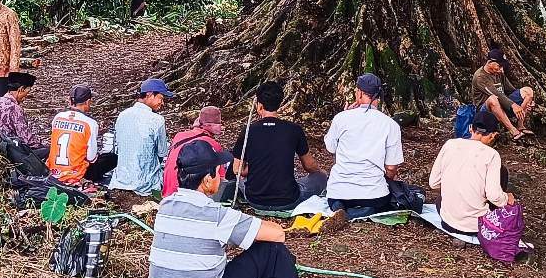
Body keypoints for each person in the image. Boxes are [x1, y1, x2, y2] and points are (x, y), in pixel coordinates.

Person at [145, 140, 341, 278]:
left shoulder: (165, 206)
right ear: (206, 180)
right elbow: (277, 235)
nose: (221, 176)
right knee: (273, 252)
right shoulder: (216, 215)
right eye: (218, 172)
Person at [231, 80, 327, 211]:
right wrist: (321, 172)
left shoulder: (248, 130)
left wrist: (255, 166)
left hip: (254, 199)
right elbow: (309, 166)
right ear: (279, 103)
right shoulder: (294, 130)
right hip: (288, 199)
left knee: (237, 181)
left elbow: (237, 170)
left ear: (259, 106)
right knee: (320, 177)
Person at [323, 74, 404, 217]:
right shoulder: (390, 124)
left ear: (359, 93)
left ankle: (340, 208)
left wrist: (343, 115)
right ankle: (366, 210)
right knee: (379, 200)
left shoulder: (341, 118)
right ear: (378, 96)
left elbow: (330, 147)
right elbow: (391, 167)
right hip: (373, 193)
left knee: (336, 199)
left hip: (339, 191)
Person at [427, 110, 514, 236]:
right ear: (493, 135)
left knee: (440, 200)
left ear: (470, 128)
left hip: (447, 222)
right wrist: (507, 199)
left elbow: (433, 183)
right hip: (476, 226)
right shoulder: (492, 155)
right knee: (503, 172)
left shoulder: (450, 144)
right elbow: (494, 196)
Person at [110, 79, 173, 195]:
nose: (162, 103)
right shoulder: (157, 120)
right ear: (149, 95)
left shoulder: (122, 115)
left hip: (120, 180)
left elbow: (116, 148)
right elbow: (162, 153)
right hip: (145, 185)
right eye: (161, 98)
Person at [47, 84, 118, 186]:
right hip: (77, 174)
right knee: (112, 158)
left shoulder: (58, 117)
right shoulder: (90, 123)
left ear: (70, 101)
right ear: (88, 102)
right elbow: (91, 158)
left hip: (54, 172)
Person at [163, 107, 228, 198]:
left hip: (168, 192)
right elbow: (220, 177)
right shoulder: (213, 145)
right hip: (188, 196)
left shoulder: (179, 136)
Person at [471, 48, 535, 139]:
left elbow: (511, 90)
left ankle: (520, 126)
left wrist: (527, 102)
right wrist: (514, 105)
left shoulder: (499, 73)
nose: (501, 69)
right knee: (493, 98)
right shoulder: (480, 77)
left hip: (502, 106)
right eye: (499, 66)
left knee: (527, 91)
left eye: (502, 66)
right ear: (490, 62)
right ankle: (514, 131)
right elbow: (497, 94)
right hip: (485, 112)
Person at [0, 72, 43, 148]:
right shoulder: (14, 108)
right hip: (5, 149)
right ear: (21, 89)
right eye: (27, 93)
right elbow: (28, 140)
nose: (25, 98)